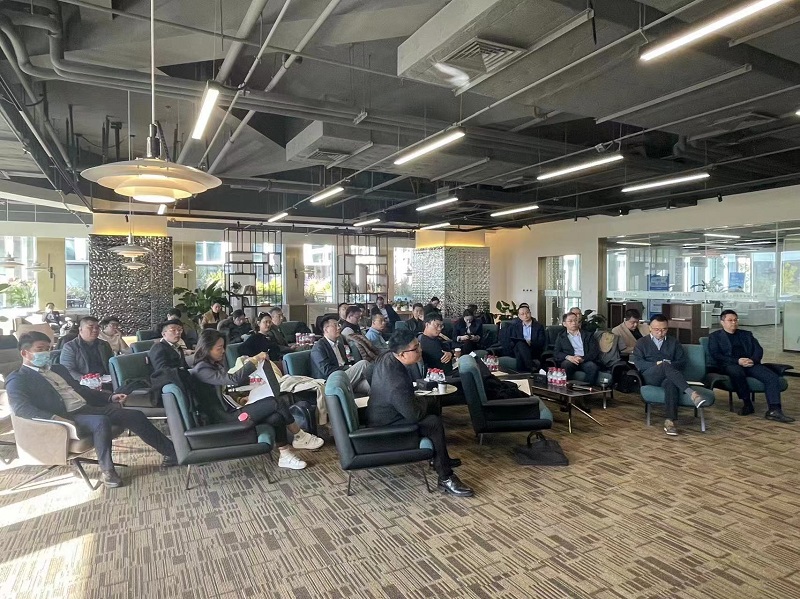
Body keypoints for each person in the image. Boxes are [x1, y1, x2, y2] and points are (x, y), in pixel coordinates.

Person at [7, 331, 177, 488]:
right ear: (25, 353)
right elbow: (21, 409)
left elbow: (80, 390)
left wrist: (109, 397)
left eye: (48, 348)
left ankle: (172, 453)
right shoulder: (18, 379)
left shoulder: (57, 369)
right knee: (101, 422)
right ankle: (107, 472)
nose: (46, 353)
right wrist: (54, 418)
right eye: (40, 349)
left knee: (135, 415)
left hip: (85, 408)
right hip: (66, 417)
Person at [190, 329, 323, 470]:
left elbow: (220, 393)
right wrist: (255, 359)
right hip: (225, 418)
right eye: (219, 348)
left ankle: (285, 455)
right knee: (276, 402)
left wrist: (239, 399)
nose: (223, 351)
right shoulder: (201, 369)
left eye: (223, 347)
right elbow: (233, 379)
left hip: (231, 410)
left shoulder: (211, 365)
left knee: (276, 416)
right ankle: (299, 435)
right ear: (207, 348)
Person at [366, 330, 473, 497]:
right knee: (433, 422)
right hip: (386, 426)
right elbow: (414, 415)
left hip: (385, 413)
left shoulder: (387, 356)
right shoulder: (395, 383)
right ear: (402, 354)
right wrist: (428, 399)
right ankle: (445, 478)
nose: (420, 350)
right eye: (415, 349)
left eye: (419, 346)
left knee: (433, 410)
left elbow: (368, 371)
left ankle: (440, 459)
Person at [709, 310, 794, 422]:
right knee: (737, 372)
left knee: (771, 377)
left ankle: (774, 410)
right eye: (730, 320)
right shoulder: (715, 337)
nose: (734, 322)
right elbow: (716, 355)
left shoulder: (746, 334)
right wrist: (738, 361)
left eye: (735, 320)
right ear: (722, 322)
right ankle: (747, 404)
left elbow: (758, 350)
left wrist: (752, 360)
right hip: (730, 364)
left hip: (750, 363)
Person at [632, 315, 708, 436]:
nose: (660, 333)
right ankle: (692, 394)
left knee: (670, 382)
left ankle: (670, 421)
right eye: (657, 329)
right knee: (664, 365)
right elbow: (639, 363)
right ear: (650, 328)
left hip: (669, 376)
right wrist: (657, 364)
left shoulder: (673, 342)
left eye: (664, 329)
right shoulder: (642, 342)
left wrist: (669, 364)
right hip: (650, 375)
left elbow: (682, 362)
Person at [310, 316, 373, 394]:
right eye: (335, 325)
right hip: (331, 382)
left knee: (372, 386)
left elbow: (345, 363)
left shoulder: (339, 344)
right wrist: (348, 368)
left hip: (345, 378)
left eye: (338, 325)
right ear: (326, 329)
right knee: (364, 364)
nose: (339, 327)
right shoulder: (319, 348)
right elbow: (327, 371)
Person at [60, 316, 114, 381]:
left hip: (105, 380)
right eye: (91, 327)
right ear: (80, 329)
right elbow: (67, 370)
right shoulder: (70, 347)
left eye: (97, 328)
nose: (95, 330)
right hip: (81, 382)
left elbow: (112, 365)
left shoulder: (104, 345)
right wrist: (85, 380)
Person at [553, 312, 600, 384]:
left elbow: (594, 351)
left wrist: (582, 358)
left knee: (592, 367)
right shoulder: (561, 336)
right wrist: (568, 357)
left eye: (575, 320)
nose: (574, 323)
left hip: (585, 360)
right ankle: (566, 387)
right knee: (566, 364)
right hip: (570, 360)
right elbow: (556, 352)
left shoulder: (588, 335)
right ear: (564, 324)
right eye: (570, 321)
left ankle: (586, 388)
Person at [503, 305, 545, 372]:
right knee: (520, 344)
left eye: (527, 313)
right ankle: (531, 366)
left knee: (520, 351)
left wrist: (530, 342)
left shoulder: (539, 326)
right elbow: (510, 341)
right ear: (519, 316)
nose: (525, 315)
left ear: (530, 313)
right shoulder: (515, 327)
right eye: (522, 314)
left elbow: (541, 342)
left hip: (532, 349)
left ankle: (521, 374)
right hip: (517, 349)